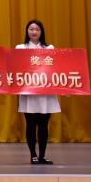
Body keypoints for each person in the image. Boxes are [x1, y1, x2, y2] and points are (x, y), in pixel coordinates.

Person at [16, 19, 60, 165]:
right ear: (27, 31)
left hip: (46, 93)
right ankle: (33, 155)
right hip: (29, 93)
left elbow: (56, 69)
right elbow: (16, 68)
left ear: (41, 32)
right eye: (31, 29)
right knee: (30, 124)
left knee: (43, 125)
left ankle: (42, 155)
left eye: (37, 29)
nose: (34, 32)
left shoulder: (49, 48)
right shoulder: (20, 48)